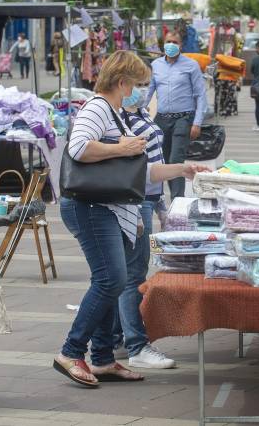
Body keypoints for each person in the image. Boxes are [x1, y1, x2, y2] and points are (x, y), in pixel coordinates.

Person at [54, 50, 209, 388]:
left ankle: (104, 359)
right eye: (137, 83)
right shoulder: (97, 108)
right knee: (110, 280)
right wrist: (119, 148)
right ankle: (71, 351)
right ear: (121, 81)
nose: (140, 90)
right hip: (90, 206)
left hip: (107, 206)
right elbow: (79, 148)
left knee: (112, 279)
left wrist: (183, 169)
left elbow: (143, 172)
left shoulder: (117, 114)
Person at [109, 85, 176, 370]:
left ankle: (118, 338)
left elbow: (154, 161)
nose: (140, 88)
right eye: (134, 82)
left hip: (148, 198)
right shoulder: (124, 121)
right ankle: (136, 344)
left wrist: (161, 201)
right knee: (133, 274)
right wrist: (138, 210)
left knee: (124, 273)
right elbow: (137, 170)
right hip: (137, 201)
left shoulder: (142, 115)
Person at [145, 31, 208, 200]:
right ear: (163, 44)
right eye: (168, 41)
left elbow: (201, 95)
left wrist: (197, 122)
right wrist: (141, 112)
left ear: (181, 45)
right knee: (163, 161)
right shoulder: (156, 65)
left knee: (175, 159)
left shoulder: (191, 65)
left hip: (183, 118)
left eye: (175, 41)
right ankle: (161, 200)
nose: (171, 44)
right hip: (162, 118)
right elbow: (150, 90)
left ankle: (177, 200)